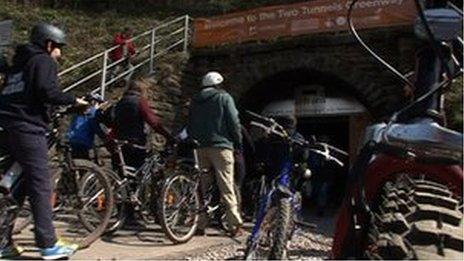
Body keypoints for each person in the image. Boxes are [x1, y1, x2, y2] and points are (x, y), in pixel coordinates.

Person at [0, 23, 87, 259]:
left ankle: (2, 243)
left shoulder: (18, 66)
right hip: (28, 129)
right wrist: (73, 100)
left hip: (8, 129)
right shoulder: (43, 61)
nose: (60, 54)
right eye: (59, 48)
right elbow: (47, 91)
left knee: (17, 188)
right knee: (41, 185)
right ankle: (48, 244)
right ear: (49, 44)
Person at [188, 71, 244, 237]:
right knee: (226, 185)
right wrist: (237, 142)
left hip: (199, 148)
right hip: (221, 146)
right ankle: (234, 224)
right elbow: (234, 121)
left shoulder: (194, 101)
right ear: (219, 84)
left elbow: (189, 123)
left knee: (201, 187)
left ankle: (199, 224)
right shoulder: (224, 98)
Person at [112, 79, 174, 169]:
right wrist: (168, 136)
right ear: (141, 90)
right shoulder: (139, 101)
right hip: (135, 143)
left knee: (123, 174)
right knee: (138, 174)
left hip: (119, 140)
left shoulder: (120, 102)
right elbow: (153, 122)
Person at [65, 95, 107, 160]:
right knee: (83, 163)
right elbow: (97, 129)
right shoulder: (93, 113)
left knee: (75, 162)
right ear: (94, 102)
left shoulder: (78, 113)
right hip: (84, 142)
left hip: (72, 140)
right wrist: (106, 139)